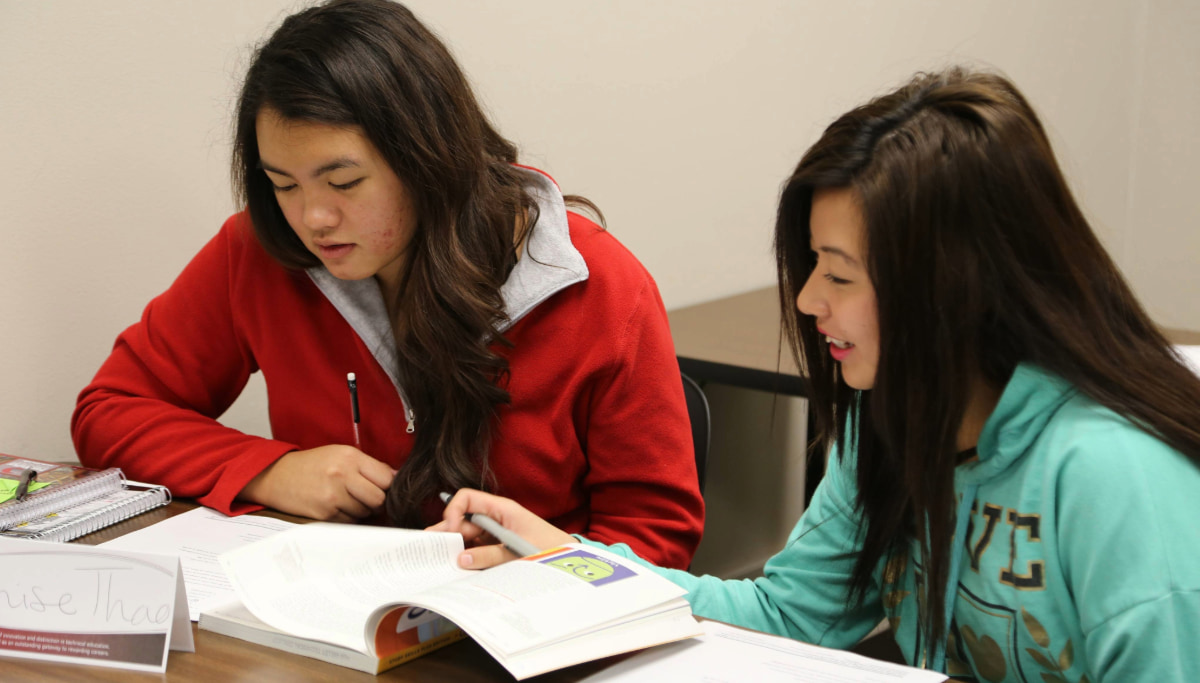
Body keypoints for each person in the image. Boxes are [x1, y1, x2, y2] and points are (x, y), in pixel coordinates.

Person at [433, 68, 1200, 680]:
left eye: (838, 274)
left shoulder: (1114, 472)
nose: (806, 301)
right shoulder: (898, 414)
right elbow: (789, 613)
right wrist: (569, 558)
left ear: (955, 284)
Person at [71, 0, 704, 569]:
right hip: (332, 627)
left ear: (428, 155)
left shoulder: (598, 287)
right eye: (283, 184)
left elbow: (656, 533)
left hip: (523, 638)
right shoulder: (260, 251)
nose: (313, 218)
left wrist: (543, 565)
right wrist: (269, 470)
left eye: (343, 182)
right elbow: (110, 411)